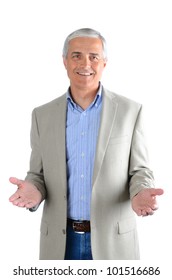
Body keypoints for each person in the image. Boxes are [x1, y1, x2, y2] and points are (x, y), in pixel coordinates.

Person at [9, 28, 164, 260]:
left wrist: (140, 192)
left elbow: (139, 170)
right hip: (60, 244)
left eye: (94, 57)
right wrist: (34, 190)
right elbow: (38, 174)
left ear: (104, 63)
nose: (85, 63)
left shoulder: (130, 111)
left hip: (114, 241)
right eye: (76, 55)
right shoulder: (42, 115)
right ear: (64, 61)